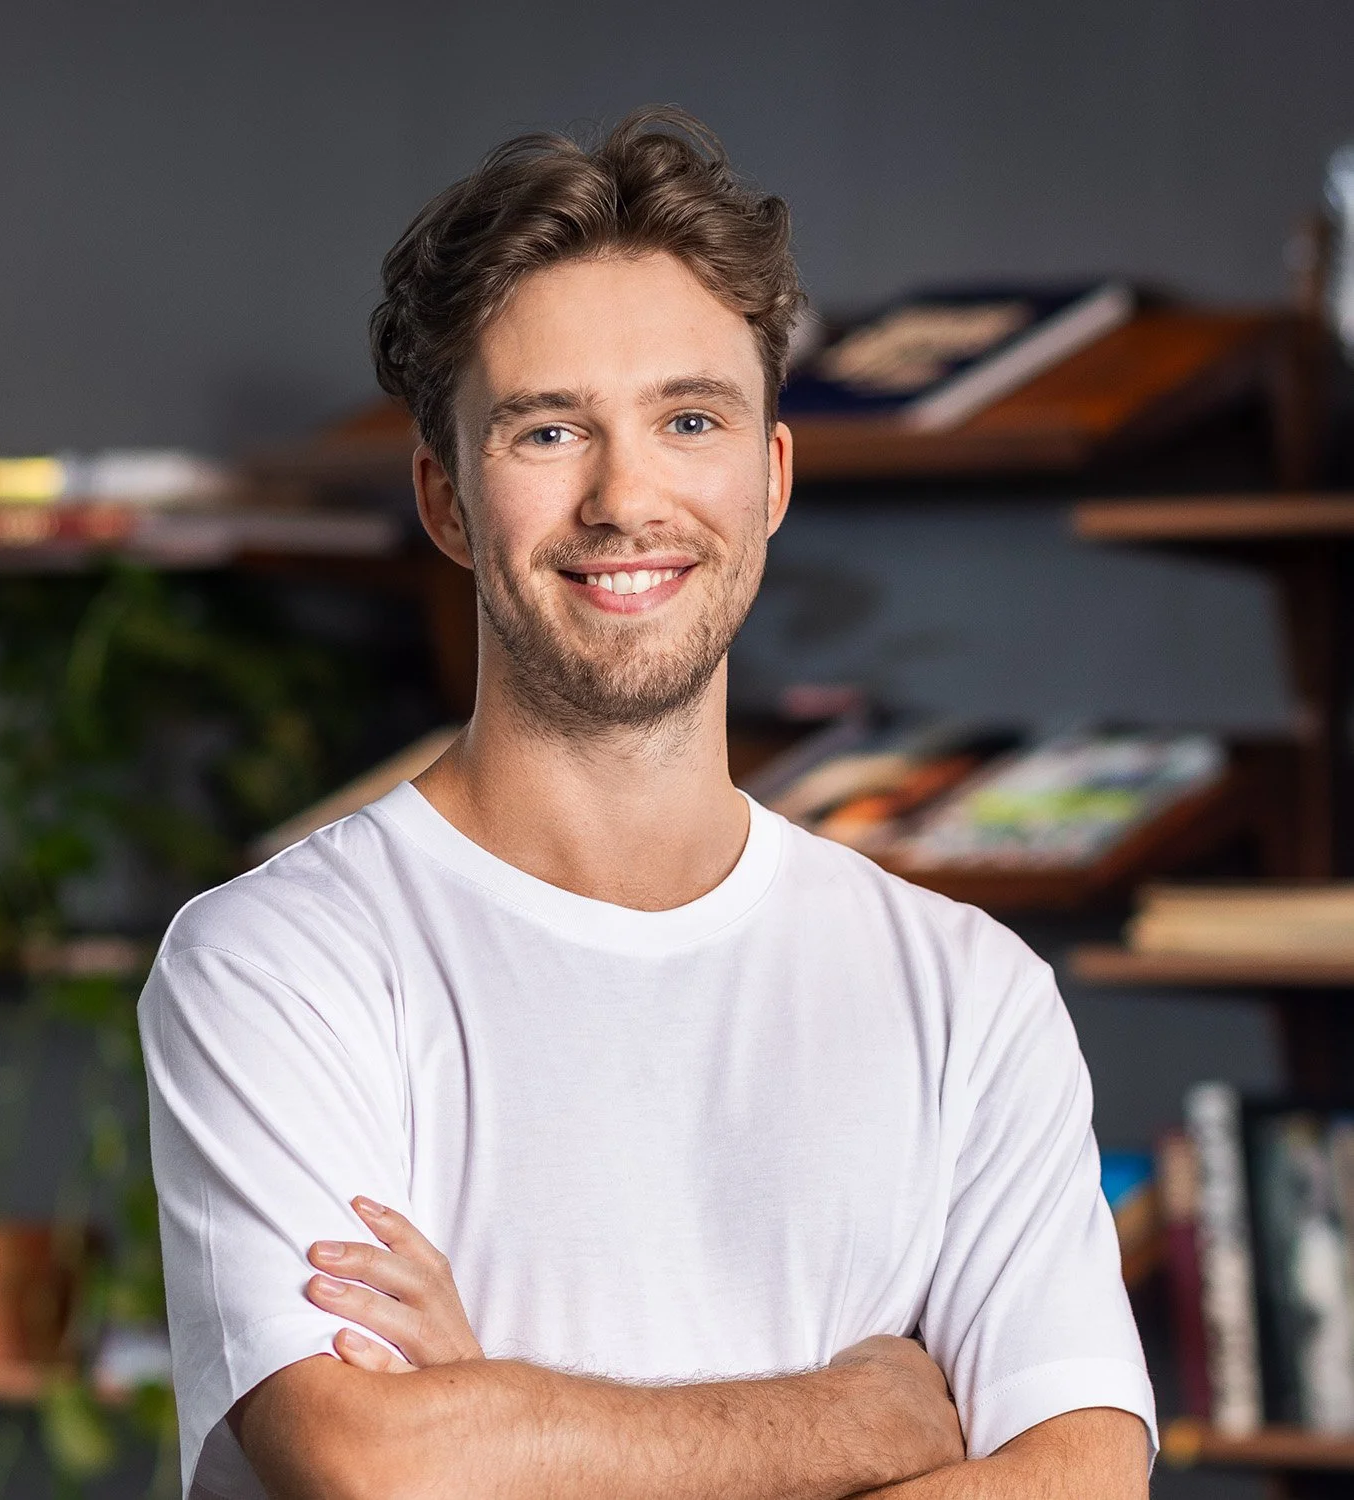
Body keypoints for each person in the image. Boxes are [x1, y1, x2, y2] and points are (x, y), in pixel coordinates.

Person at [139, 107, 1156, 1500]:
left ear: (772, 475)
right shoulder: (284, 963)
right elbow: (376, 1462)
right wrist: (872, 1423)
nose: (628, 498)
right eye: (550, 430)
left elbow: (1083, 1474)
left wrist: (507, 1424)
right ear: (445, 498)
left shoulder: (967, 997)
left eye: (689, 419)